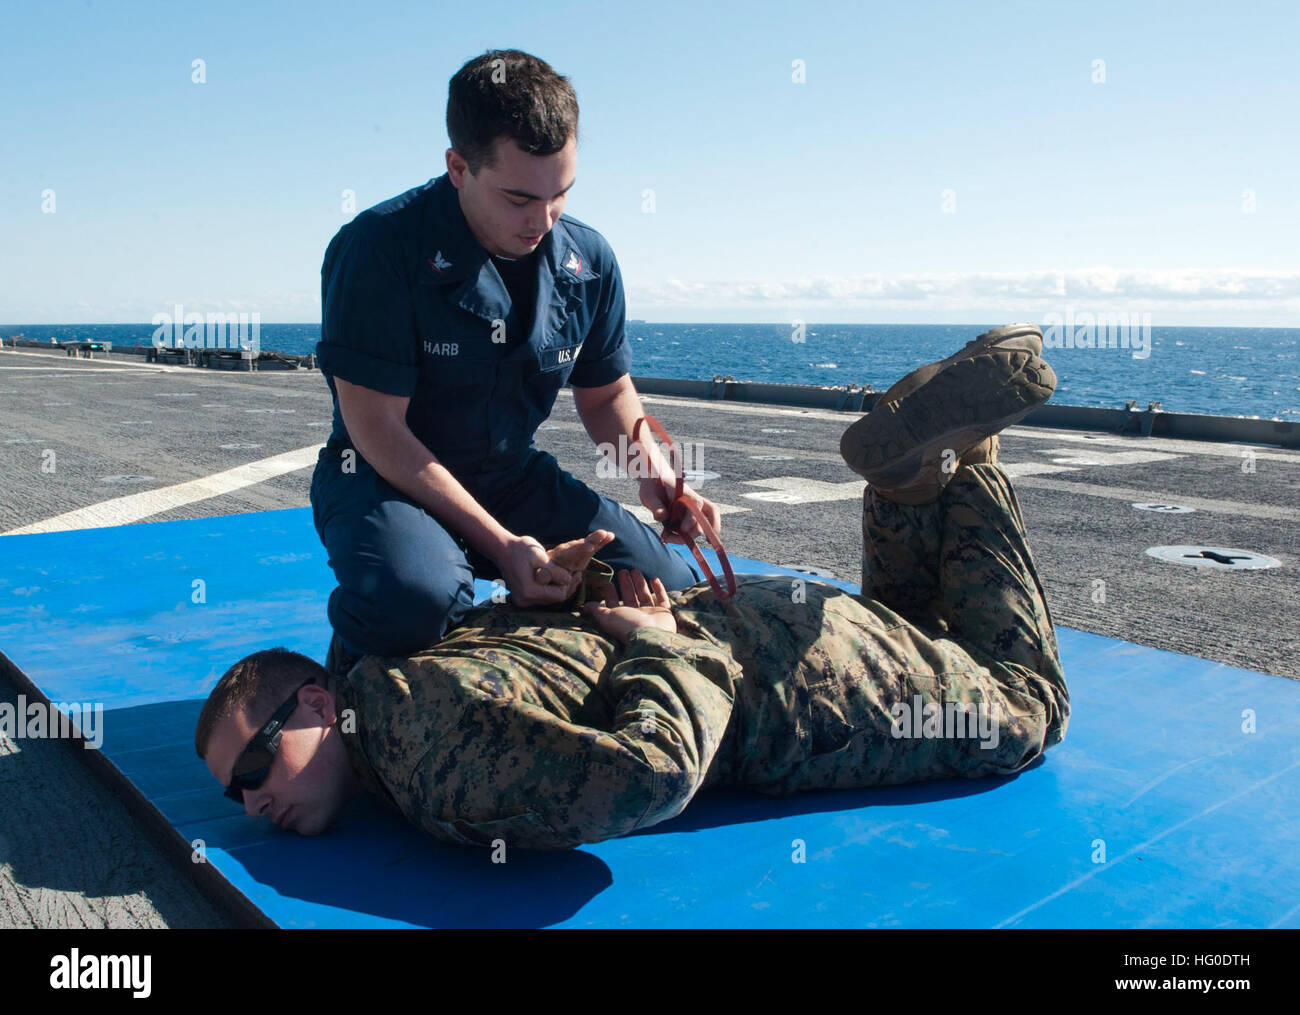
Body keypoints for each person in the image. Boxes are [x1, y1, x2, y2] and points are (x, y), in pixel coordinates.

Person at [198, 325, 1070, 850]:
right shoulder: (382, 660)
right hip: (769, 622)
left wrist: (655, 650)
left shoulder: (426, 762)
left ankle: (969, 467)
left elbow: (652, 775)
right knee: (912, 630)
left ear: (316, 701)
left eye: (252, 765)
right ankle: (915, 484)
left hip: (792, 699)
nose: (251, 802)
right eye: (237, 790)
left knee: (1030, 710)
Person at [311, 48, 718, 662]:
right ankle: (355, 671)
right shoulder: (379, 250)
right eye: (518, 198)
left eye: (561, 194)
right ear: (457, 166)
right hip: (384, 480)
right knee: (416, 604)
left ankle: (539, 625)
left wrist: (654, 474)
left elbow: (606, 394)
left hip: (509, 476)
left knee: (672, 592)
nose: (544, 220)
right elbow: (377, 428)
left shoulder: (589, 260)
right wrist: (505, 548)